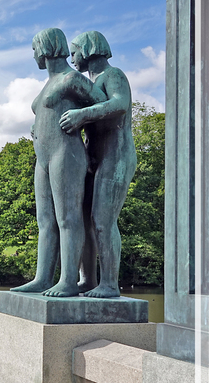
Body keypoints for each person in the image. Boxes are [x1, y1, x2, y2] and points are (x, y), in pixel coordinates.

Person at [11, 28, 106, 297]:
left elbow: (104, 105)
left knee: (68, 218)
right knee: (45, 220)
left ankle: (67, 280)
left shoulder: (71, 78)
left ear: (46, 48)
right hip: (43, 157)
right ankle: (42, 278)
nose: (33, 56)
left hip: (66, 152)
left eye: (34, 50)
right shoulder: (50, 82)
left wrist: (80, 116)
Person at [58, 30, 137, 298]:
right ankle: (88, 279)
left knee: (102, 220)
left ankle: (110, 284)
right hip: (94, 158)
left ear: (89, 50)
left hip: (116, 156)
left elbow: (120, 104)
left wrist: (82, 114)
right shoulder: (89, 84)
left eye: (75, 51)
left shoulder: (112, 75)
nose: (72, 57)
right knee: (83, 220)